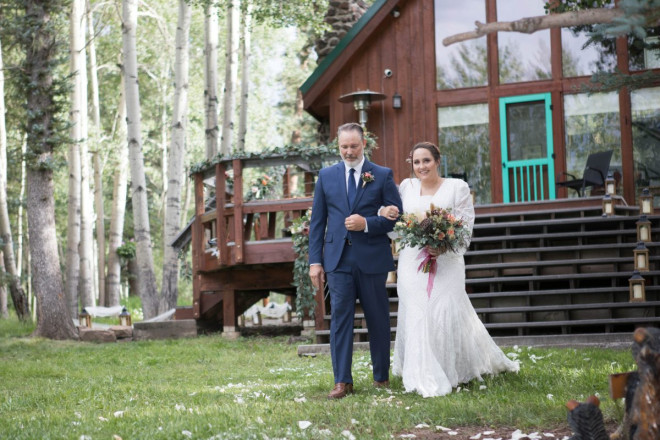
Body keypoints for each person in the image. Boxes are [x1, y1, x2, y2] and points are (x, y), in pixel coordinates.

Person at [380, 142, 519, 398]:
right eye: (417, 162)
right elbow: (396, 226)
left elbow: (465, 229)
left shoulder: (457, 187)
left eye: (426, 161)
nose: (421, 166)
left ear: (437, 161)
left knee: (444, 310)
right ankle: (420, 369)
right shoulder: (406, 187)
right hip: (412, 262)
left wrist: (444, 247)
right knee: (417, 312)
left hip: (447, 261)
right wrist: (384, 211)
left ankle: (449, 368)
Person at [308, 122, 403, 399]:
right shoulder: (326, 176)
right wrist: (315, 262)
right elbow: (317, 223)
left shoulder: (382, 175)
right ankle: (342, 381)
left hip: (372, 258)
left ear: (364, 145)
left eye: (354, 146)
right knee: (340, 321)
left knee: (378, 319)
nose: (349, 151)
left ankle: (381, 377)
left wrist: (367, 223)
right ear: (338, 147)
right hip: (337, 261)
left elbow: (396, 216)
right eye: (344, 147)